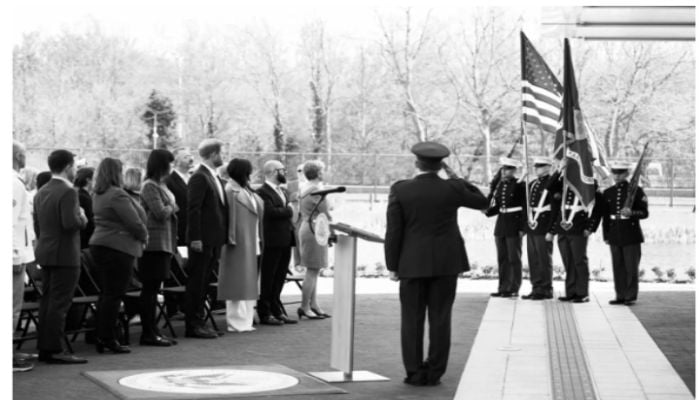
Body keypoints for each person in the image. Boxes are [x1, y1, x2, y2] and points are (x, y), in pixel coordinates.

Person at [385, 141, 488, 386]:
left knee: (411, 320)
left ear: (416, 163)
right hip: (445, 263)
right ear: (441, 165)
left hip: (411, 263)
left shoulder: (401, 189)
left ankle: (414, 371)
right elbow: (482, 201)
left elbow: (394, 232)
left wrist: (393, 265)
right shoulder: (452, 188)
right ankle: (434, 373)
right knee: (441, 319)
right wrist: (457, 178)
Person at [33, 149, 88, 364]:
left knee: (47, 302)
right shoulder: (68, 192)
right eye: (74, 166)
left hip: (46, 250)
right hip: (65, 253)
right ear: (67, 167)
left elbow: (38, 225)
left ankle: (46, 347)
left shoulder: (42, 190)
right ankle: (55, 348)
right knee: (59, 303)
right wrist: (82, 216)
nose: (75, 170)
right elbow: (70, 223)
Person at [89, 157, 148, 354]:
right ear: (116, 173)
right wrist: (144, 236)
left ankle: (101, 334)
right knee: (114, 294)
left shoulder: (98, 193)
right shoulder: (117, 195)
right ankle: (108, 337)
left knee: (106, 293)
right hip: (117, 246)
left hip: (101, 244)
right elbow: (134, 221)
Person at [185, 139, 227, 339]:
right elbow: (193, 209)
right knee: (197, 282)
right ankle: (193, 324)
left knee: (205, 283)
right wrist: (195, 238)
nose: (223, 157)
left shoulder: (213, 176)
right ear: (212, 154)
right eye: (221, 153)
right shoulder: (199, 177)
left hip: (214, 238)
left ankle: (201, 320)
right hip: (202, 239)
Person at [218, 159, 264, 332]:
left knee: (248, 280)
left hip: (251, 239)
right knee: (237, 281)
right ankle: (236, 321)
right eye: (248, 172)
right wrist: (231, 238)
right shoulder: (230, 190)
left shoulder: (245, 190)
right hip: (237, 240)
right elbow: (228, 217)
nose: (250, 175)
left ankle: (246, 319)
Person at [547, 162, 602, 303]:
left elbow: (598, 208)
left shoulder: (590, 183)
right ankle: (571, 291)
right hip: (562, 227)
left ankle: (582, 293)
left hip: (578, 226)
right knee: (568, 262)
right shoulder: (563, 182)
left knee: (579, 261)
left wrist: (590, 227)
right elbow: (549, 187)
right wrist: (559, 170)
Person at [601, 163, 649, 306]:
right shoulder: (608, 192)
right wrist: (606, 235)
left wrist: (632, 213)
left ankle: (630, 296)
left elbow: (645, 213)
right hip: (615, 232)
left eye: (620, 173)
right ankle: (620, 295)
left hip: (630, 233)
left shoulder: (636, 191)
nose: (616, 176)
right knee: (618, 266)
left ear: (627, 174)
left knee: (631, 267)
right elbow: (606, 216)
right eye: (614, 173)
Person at [256, 160, 297, 325]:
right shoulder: (262, 192)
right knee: (268, 277)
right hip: (272, 241)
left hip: (285, 239)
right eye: (282, 170)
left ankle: (276, 308)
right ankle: (265, 312)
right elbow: (270, 212)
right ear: (273, 172)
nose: (284, 173)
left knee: (280, 277)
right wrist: (289, 210)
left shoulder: (283, 191)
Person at [484, 157, 526, 298]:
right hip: (501, 224)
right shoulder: (501, 185)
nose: (504, 171)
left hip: (514, 224)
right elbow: (499, 205)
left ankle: (513, 288)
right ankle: (503, 287)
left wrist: (522, 227)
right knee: (502, 258)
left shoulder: (520, 185)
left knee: (514, 258)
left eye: (507, 169)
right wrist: (487, 211)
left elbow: (525, 208)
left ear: (514, 170)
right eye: (503, 168)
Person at [297, 160, 332, 320]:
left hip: (309, 227)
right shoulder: (316, 191)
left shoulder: (305, 188)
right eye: (322, 170)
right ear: (318, 173)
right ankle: (305, 306)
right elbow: (326, 212)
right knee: (312, 271)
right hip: (314, 230)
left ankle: (314, 304)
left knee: (314, 269)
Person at [13, 141, 36, 372]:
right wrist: (15, 256)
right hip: (13, 257)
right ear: (18, 156)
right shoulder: (14, 184)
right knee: (11, 309)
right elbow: (10, 224)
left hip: (17, 253)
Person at [522, 157, 555, 300]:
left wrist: (551, 230)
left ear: (548, 167)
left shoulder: (552, 183)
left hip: (543, 224)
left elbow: (554, 209)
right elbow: (526, 206)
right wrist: (525, 226)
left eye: (541, 166)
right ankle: (536, 287)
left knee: (543, 259)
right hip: (532, 224)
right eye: (536, 166)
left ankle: (546, 289)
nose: (537, 169)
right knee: (533, 258)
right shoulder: (533, 184)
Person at [165, 148, 193, 247]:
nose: (191, 159)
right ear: (176, 162)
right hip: (179, 230)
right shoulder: (169, 180)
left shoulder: (194, 178)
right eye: (186, 157)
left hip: (194, 231)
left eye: (190, 156)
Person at [74, 167, 95, 249]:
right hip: (85, 240)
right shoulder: (84, 197)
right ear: (88, 180)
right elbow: (90, 220)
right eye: (94, 179)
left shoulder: (78, 194)